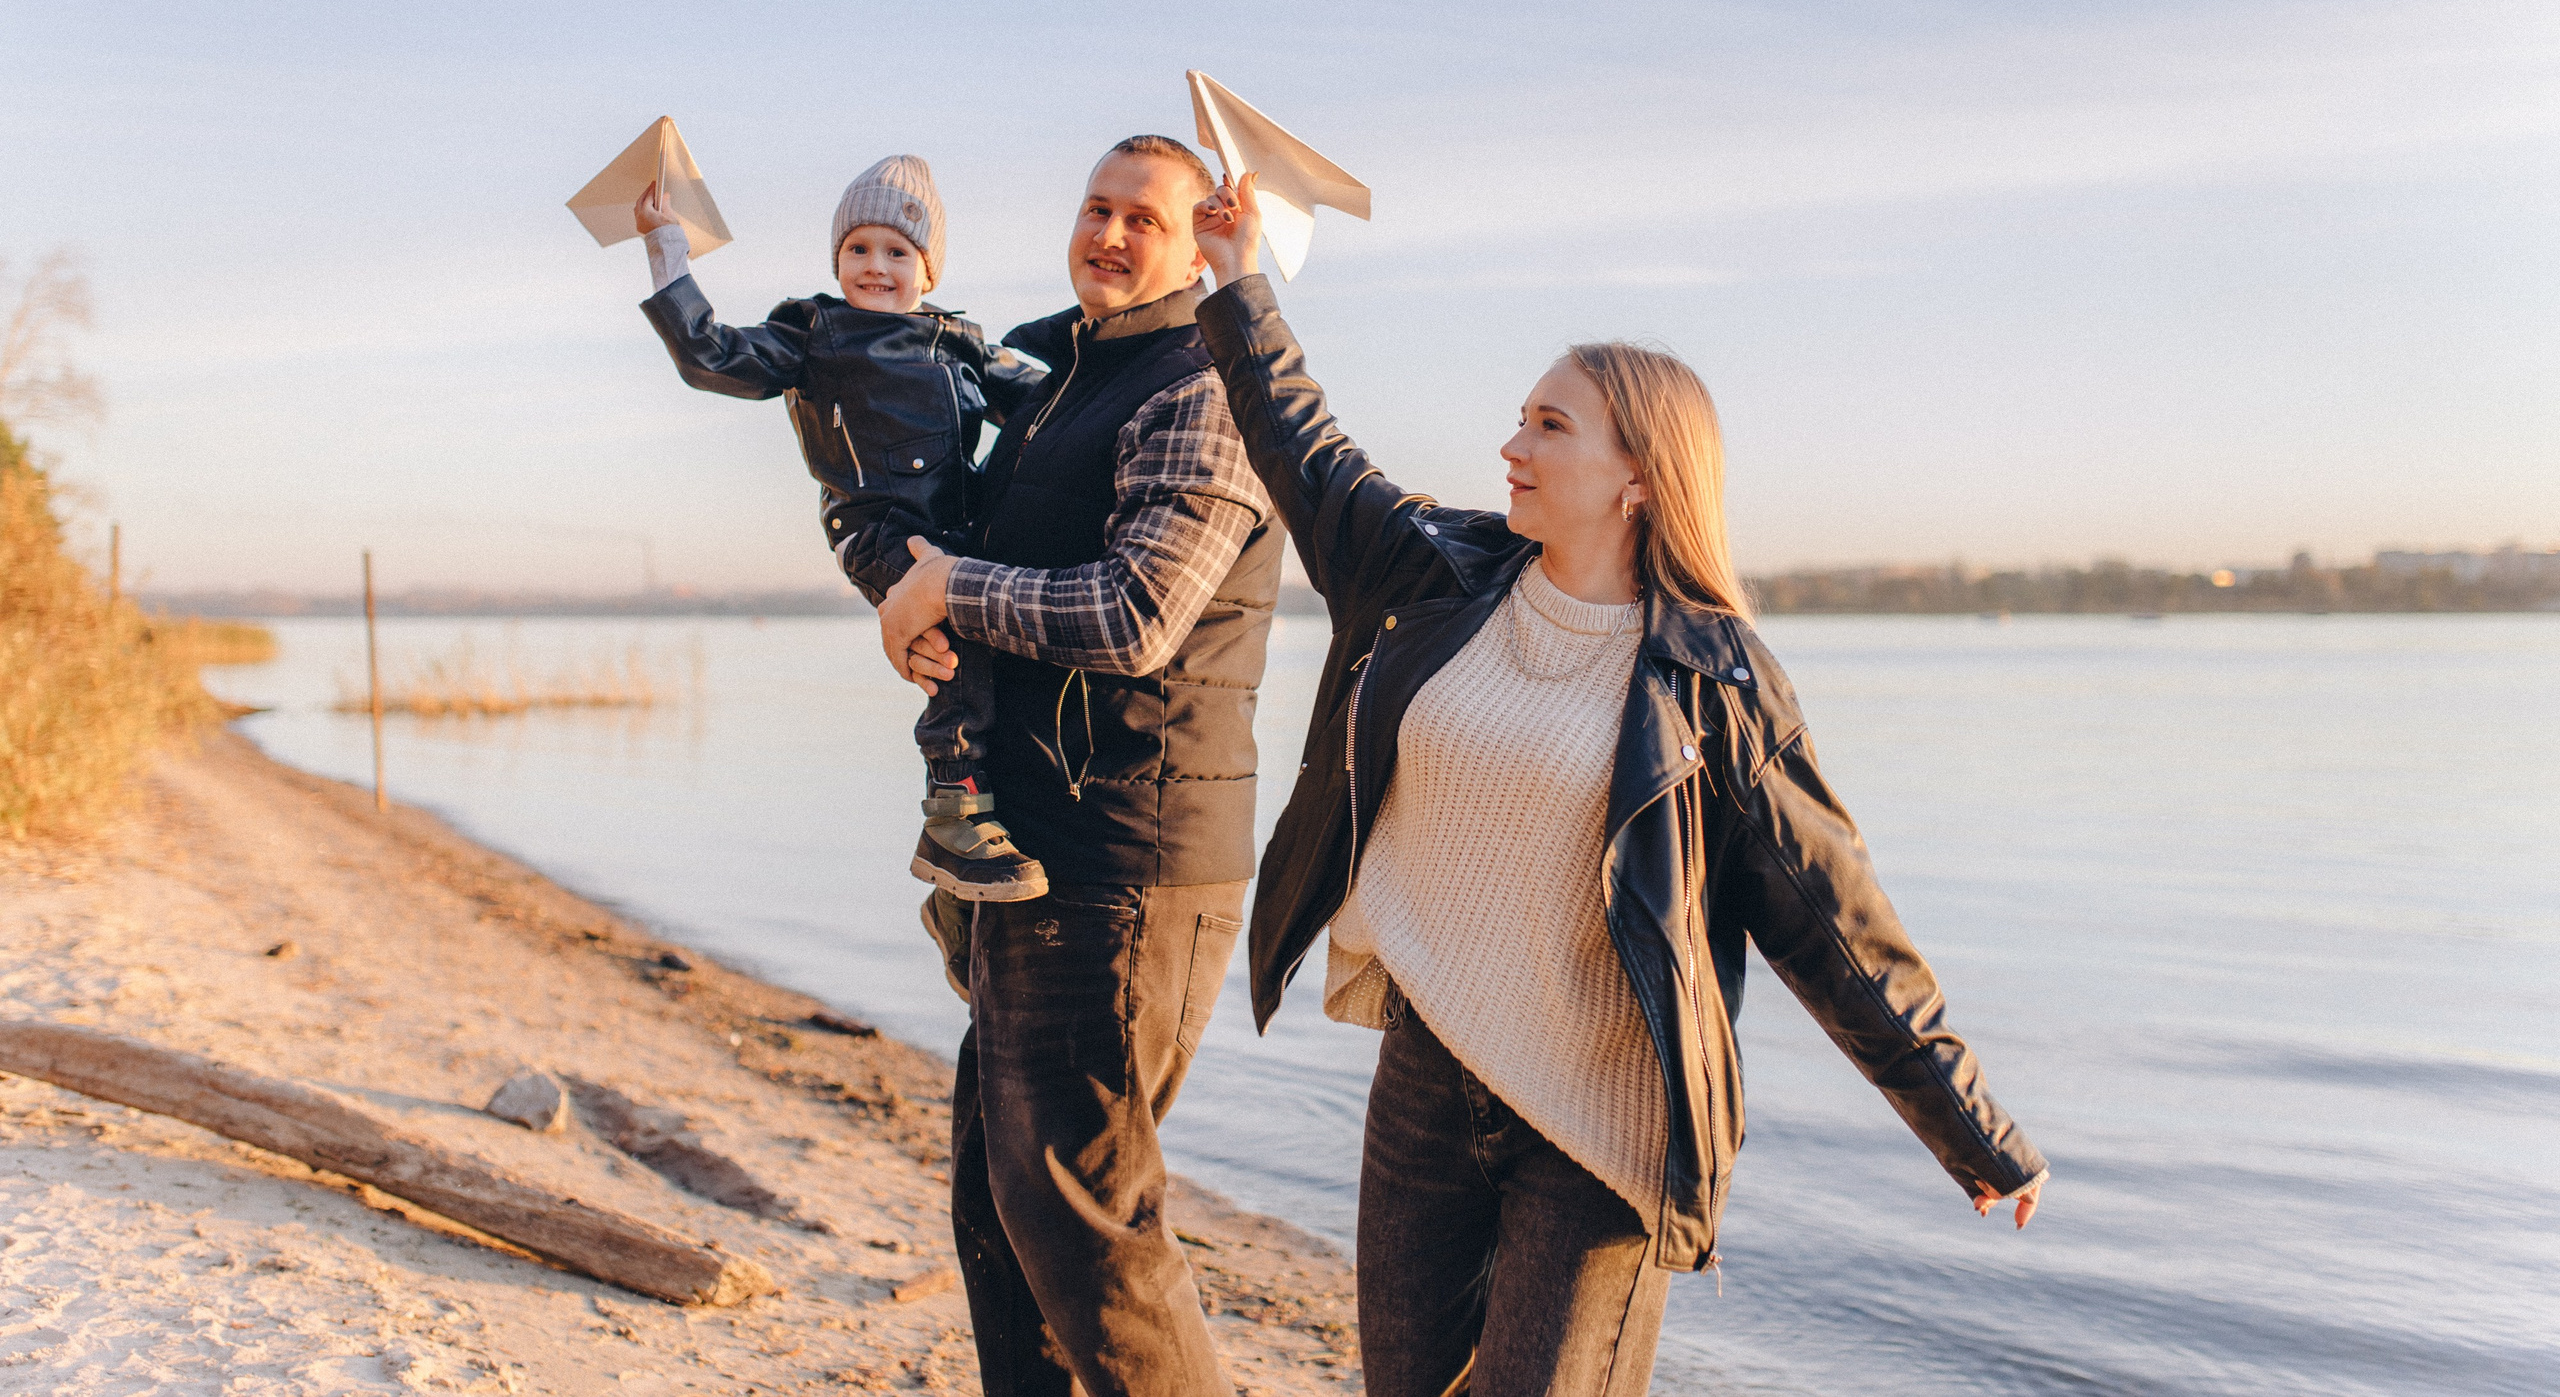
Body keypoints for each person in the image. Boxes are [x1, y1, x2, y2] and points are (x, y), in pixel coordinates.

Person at [1178, 172, 2049, 1397]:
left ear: (1638, 476)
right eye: (1521, 419)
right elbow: (1303, 446)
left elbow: (1832, 921)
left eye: (1548, 425)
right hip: (1427, 1083)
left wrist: (1970, 1132)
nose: (1509, 445)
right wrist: (1236, 277)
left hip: (1599, 1119)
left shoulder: (1711, 680)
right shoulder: (1435, 579)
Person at [879, 136, 1281, 1397]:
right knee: (1005, 1223)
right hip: (1032, 846)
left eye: (1142, 220)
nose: (1108, 236)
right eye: (1094, 208)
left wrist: (951, 587)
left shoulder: (1205, 379)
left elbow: (1137, 613)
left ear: (1201, 238)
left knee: (1086, 1235)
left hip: (1127, 859)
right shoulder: (1055, 370)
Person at [635, 155, 1054, 905]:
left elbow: (1049, 406)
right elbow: (712, 356)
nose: (875, 266)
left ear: (928, 267)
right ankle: (954, 812)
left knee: (1004, 630)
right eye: (858, 248)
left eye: (898, 251)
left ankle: (993, 829)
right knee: (950, 645)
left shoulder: (961, 341)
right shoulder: (816, 332)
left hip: (963, 531)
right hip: (880, 528)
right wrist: (667, 250)